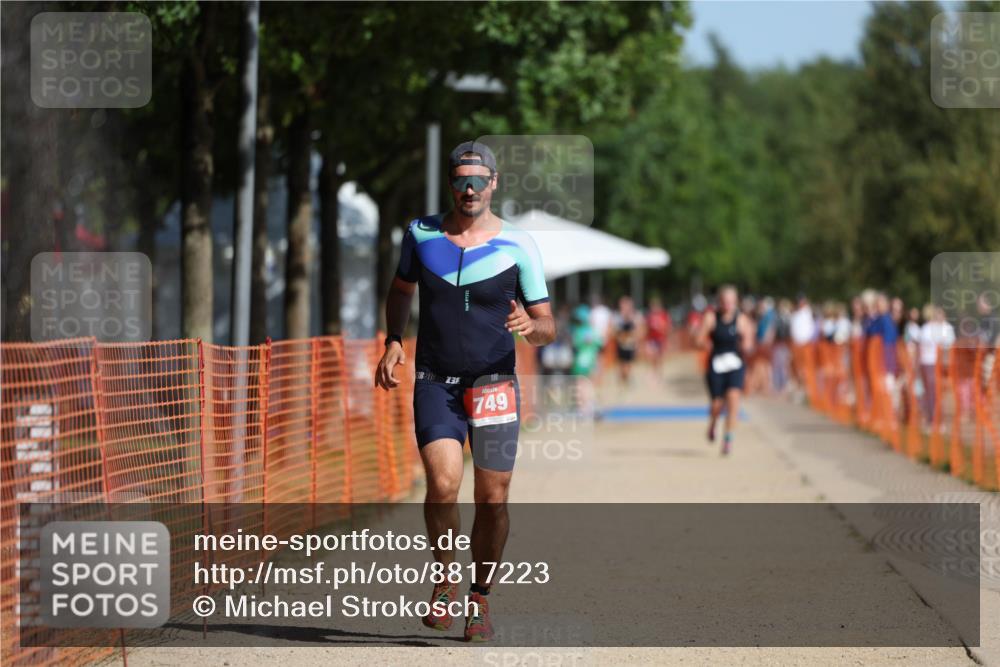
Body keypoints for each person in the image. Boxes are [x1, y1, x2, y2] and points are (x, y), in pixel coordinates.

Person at [374, 140, 555, 642]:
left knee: (492, 496)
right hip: (436, 381)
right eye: (460, 180)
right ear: (450, 183)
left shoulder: (520, 245)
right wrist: (393, 340)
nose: (469, 189)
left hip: (494, 384)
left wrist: (529, 325)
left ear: (494, 183)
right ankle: (445, 580)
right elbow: (400, 290)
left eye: (478, 180)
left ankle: (480, 598)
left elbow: (548, 326)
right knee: (443, 484)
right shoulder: (420, 233)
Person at [696, 285, 754, 455]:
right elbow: (699, 339)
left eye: (731, 301)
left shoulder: (742, 319)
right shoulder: (711, 318)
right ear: (719, 301)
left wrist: (746, 345)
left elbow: (749, 342)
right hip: (716, 365)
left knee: (733, 398)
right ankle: (713, 422)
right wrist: (704, 343)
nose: (727, 304)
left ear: (736, 302)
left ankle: (728, 438)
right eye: (724, 301)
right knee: (717, 404)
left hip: (735, 365)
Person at [613, 295, 641, 385]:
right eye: (623, 304)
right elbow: (614, 331)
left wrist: (637, 343)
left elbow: (637, 331)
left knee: (628, 364)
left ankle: (626, 379)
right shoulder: (617, 316)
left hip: (630, 345)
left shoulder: (634, 316)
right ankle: (623, 379)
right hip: (621, 345)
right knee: (622, 364)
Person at [645, 296, 672, 378]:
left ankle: (659, 372)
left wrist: (667, 337)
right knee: (653, 356)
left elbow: (668, 327)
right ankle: (654, 371)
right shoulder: (649, 316)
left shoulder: (664, 315)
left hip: (661, 339)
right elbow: (646, 328)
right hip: (652, 339)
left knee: (659, 357)